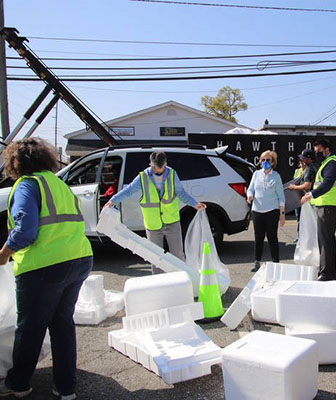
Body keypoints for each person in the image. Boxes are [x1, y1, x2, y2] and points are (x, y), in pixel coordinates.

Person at [0, 138, 93, 400]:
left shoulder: (27, 185)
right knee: (62, 324)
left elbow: (25, 231)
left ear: (15, 163)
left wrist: (4, 253)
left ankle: (19, 384)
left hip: (45, 266)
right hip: (79, 259)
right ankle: (66, 387)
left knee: (30, 327)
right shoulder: (58, 184)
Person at [104, 152, 206, 274]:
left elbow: (181, 193)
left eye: (160, 168)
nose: (157, 170)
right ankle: (159, 283)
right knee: (155, 257)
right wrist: (112, 201)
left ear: (165, 165)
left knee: (178, 255)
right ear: (150, 164)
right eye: (154, 168)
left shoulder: (172, 174)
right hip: (153, 225)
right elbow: (128, 190)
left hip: (172, 221)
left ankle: (182, 281)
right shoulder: (143, 177)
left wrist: (195, 204)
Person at [301, 139, 336, 281]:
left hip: (329, 207)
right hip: (326, 206)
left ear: (326, 149)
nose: (316, 154)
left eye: (318, 151)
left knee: (326, 240)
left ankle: (327, 273)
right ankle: (328, 270)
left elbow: (327, 184)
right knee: (326, 240)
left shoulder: (333, 163)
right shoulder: (326, 163)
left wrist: (310, 195)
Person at [247, 150, 285, 272]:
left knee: (272, 237)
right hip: (257, 211)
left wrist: (282, 214)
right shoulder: (256, 174)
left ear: (273, 162)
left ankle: (276, 263)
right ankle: (256, 261)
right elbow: (250, 189)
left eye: (268, 160)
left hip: (272, 211)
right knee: (258, 237)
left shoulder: (276, 176)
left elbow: (281, 196)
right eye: (263, 160)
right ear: (259, 162)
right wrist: (249, 195)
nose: (265, 162)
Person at [288, 149, 318, 243]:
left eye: (303, 158)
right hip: (312, 197)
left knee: (305, 219)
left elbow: (307, 185)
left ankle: (305, 238)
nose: (302, 161)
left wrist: (294, 187)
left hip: (307, 197)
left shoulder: (309, 168)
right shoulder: (316, 166)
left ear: (309, 158)